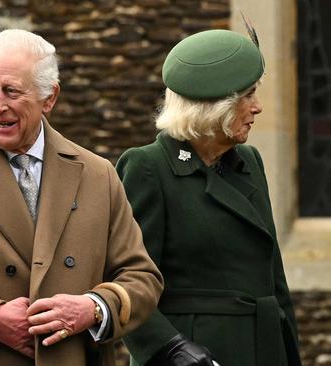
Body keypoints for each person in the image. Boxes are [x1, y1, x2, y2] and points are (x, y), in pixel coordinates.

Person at [0, 29, 163, 366]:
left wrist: (94, 307)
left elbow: (142, 278)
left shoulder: (98, 175)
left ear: (49, 98)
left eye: (11, 91)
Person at [116, 29, 301, 366]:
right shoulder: (148, 167)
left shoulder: (249, 161)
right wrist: (169, 349)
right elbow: (128, 279)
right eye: (247, 96)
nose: (257, 107)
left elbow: (274, 279)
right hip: (193, 356)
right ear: (213, 107)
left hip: (265, 350)